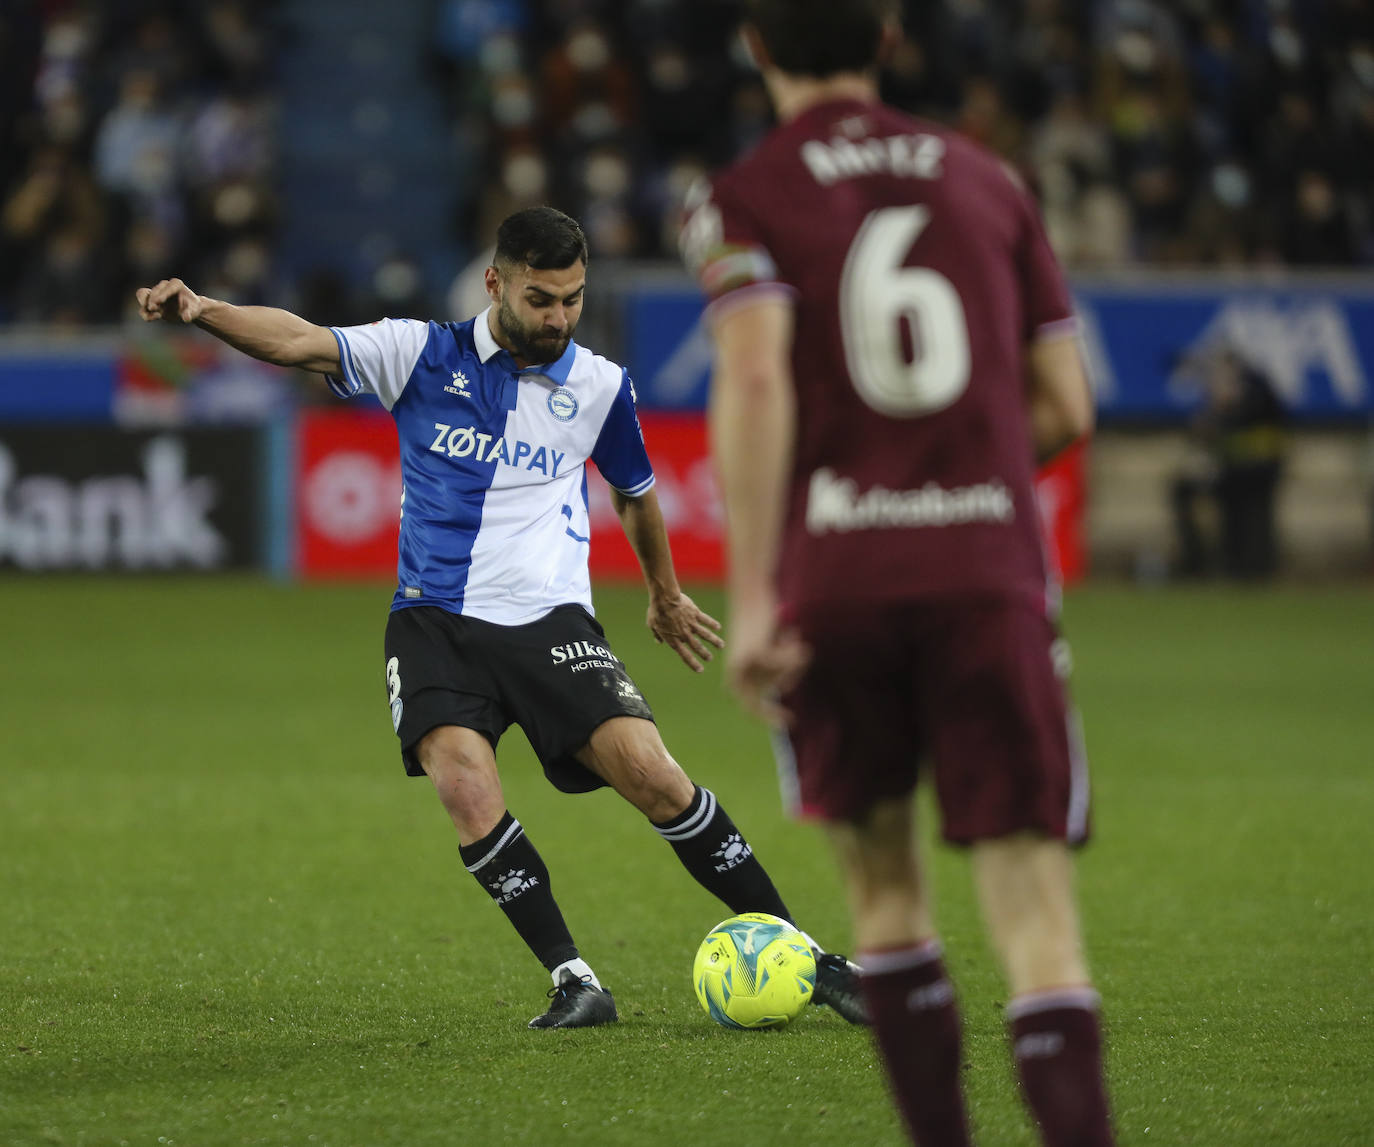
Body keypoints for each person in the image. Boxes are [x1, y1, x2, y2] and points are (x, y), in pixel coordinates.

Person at [135, 206, 865, 1030]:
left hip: (548, 620)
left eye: (573, 300)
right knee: (464, 784)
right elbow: (302, 339)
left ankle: (809, 955)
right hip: (434, 621)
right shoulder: (419, 352)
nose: (558, 318)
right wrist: (205, 312)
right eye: (541, 298)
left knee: (654, 774)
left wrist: (663, 593)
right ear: (496, 282)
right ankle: (574, 979)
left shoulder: (598, 384)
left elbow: (636, 493)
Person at [683, 3, 1112, 1145]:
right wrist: (963, 486)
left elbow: (759, 382)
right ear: (888, 37)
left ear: (756, 44)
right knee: (1035, 914)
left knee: (884, 898)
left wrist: (762, 591)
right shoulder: (988, 181)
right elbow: (1069, 403)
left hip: (836, 591)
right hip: (986, 576)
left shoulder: (741, 198)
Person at [1170, 345, 1287, 580]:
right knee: (1225, 513)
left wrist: (1224, 410)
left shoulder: (1255, 387)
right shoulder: (1222, 392)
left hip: (1260, 467)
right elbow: (1208, 433)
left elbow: (1249, 417)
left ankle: (1256, 569)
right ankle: (1219, 565)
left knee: (1252, 517)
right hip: (1232, 467)